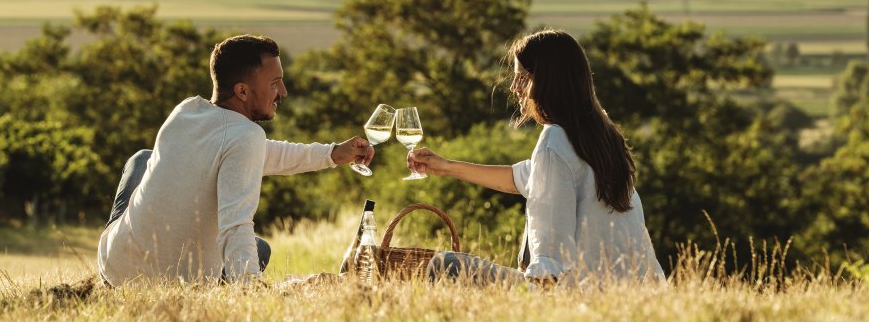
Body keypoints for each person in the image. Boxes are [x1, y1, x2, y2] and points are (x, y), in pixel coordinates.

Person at [97, 34, 374, 286]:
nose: (284, 92)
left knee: (143, 158)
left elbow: (254, 152)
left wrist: (332, 153)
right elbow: (236, 225)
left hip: (115, 268)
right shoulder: (246, 136)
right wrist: (250, 287)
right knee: (259, 248)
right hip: (176, 284)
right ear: (242, 91)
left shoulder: (186, 111)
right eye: (275, 83)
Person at [406, 30, 665, 286]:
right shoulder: (600, 136)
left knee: (446, 265)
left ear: (547, 81)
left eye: (522, 78)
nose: (513, 87)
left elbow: (551, 254)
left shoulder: (554, 140)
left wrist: (534, 297)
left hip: (576, 294)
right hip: (637, 290)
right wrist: (445, 166)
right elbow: (519, 179)